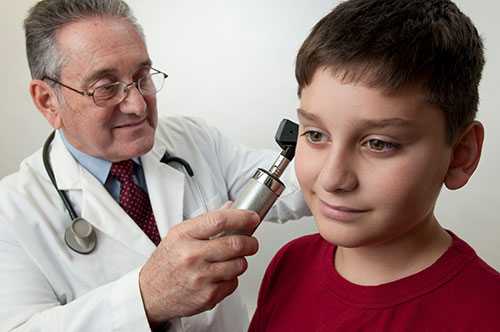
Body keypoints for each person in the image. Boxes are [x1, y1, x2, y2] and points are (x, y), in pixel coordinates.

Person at [0, 0, 309, 331]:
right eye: (106, 88)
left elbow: (297, 185)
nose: (136, 105)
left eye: (142, 76)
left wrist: (343, 139)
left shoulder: (193, 139)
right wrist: (146, 297)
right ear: (48, 101)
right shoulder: (11, 211)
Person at [249, 0, 500, 331]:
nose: (332, 178)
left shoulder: (488, 314)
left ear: (461, 155)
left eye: (379, 144)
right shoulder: (289, 263)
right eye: (315, 134)